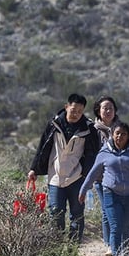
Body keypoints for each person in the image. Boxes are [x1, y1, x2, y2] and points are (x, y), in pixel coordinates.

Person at [29, 93, 99, 243]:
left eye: (80, 111)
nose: (76, 114)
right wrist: (34, 169)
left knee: (77, 214)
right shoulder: (54, 124)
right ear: (66, 107)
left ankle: (73, 249)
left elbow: (93, 153)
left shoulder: (88, 128)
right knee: (55, 213)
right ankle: (56, 246)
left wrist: (87, 174)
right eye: (73, 110)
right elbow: (44, 146)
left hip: (77, 177)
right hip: (55, 176)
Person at [78, 122, 129, 256]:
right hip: (110, 193)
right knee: (115, 226)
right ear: (112, 135)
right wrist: (83, 190)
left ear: (128, 136)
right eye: (117, 133)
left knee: (127, 228)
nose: (120, 136)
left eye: (123, 134)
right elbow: (93, 173)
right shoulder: (104, 152)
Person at [92, 96, 119, 256]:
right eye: (105, 108)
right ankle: (109, 243)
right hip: (101, 177)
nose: (108, 111)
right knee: (106, 210)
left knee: (117, 210)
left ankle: (117, 241)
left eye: (111, 108)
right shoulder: (93, 130)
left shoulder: (120, 128)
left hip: (120, 178)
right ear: (98, 110)